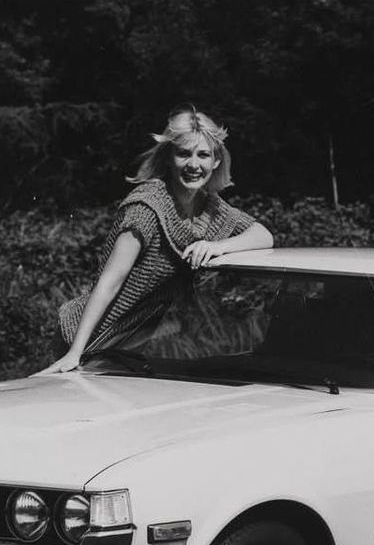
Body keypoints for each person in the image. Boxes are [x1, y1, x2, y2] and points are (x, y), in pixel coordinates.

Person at [36, 107, 273, 375]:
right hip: (89, 338)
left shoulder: (212, 208)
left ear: (216, 161)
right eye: (184, 154)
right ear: (169, 158)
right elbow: (109, 282)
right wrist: (74, 353)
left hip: (131, 346)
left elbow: (263, 235)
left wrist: (217, 246)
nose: (194, 165)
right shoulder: (147, 206)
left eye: (203, 155)